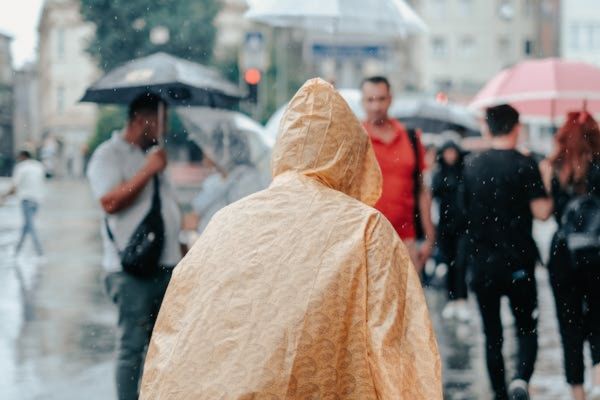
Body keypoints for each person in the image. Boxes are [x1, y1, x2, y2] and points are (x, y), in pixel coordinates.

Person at [140, 78, 442, 399]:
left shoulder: (227, 220)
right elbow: (397, 350)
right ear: (352, 153)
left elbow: (180, 326)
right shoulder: (366, 228)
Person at [86, 93, 182, 400]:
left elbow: (162, 207)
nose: (163, 129)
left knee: (164, 347)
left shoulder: (154, 155)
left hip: (165, 266)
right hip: (131, 271)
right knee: (132, 348)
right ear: (142, 120)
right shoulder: (108, 155)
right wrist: (148, 170)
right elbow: (109, 202)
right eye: (159, 121)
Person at [462, 104, 553, 400]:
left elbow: (461, 214)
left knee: (492, 335)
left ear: (487, 128)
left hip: (482, 265)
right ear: (516, 127)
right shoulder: (524, 164)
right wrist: (546, 178)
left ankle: (500, 393)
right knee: (526, 328)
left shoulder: (472, 165)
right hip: (519, 262)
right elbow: (542, 212)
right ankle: (520, 381)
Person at [541, 111, 600, 400]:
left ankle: (577, 391)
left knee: (569, 325)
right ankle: (599, 380)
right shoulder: (599, 165)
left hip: (563, 255)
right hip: (598, 253)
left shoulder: (555, 167)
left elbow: (545, 212)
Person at [361, 76, 435, 272]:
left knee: (408, 302)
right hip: (366, 241)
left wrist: (429, 236)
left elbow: (422, 189)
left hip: (406, 240)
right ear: (363, 102)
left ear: (390, 99)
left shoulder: (410, 137)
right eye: (370, 100)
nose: (376, 106)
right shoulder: (356, 138)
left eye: (381, 99)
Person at [431, 140, 469, 321]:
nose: (450, 156)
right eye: (447, 152)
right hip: (445, 226)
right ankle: (451, 299)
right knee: (449, 262)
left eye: (453, 152)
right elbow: (432, 196)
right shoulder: (438, 174)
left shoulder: (464, 173)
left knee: (461, 263)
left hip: (463, 225)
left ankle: (462, 299)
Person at [1, 150, 46, 256]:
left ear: (22, 156)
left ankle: (39, 251)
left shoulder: (21, 167)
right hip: (37, 199)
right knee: (27, 225)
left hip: (26, 199)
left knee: (30, 226)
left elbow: (15, 186)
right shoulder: (38, 166)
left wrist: (4, 196)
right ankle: (18, 249)